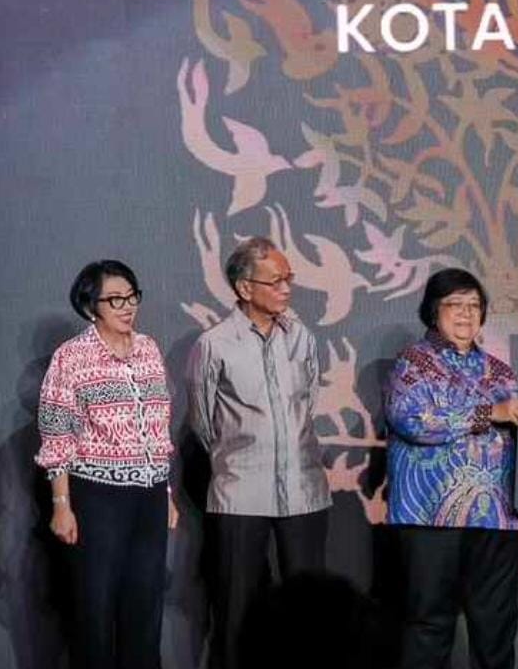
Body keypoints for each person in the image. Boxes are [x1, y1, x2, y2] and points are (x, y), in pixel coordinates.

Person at [187, 236, 331, 669]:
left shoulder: (301, 337)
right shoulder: (214, 344)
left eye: (289, 279)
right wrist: (241, 455)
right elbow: (203, 423)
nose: (286, 289)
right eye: (275, 281)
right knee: (237, 612)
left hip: (304, 491)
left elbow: (307, 403)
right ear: (244, 287)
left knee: (310, 613)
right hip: (240, 493)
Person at [385, 268, 518, 669]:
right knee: (430, 624)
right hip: (432, 516)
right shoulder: (412, 364)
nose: (466, 313)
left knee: (496, 628)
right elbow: (411, 420)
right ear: (433, 311)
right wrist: (490, 412)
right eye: (455, 304)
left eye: (474, 305)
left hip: (498, 516)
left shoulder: (501, 372)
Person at [35, 259, 177, 669]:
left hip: (150, 494)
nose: (127, 306)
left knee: (145, 607)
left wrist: (165, 491)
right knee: (94, 608)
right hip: (98, 499)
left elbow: (158, 425)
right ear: (89, 306)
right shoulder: (72, 357)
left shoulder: (148, 349)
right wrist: (61, 504)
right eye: (115, 299)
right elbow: (56, 432)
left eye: (132, 297)